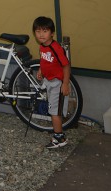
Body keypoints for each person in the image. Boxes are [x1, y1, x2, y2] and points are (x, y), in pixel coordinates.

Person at [33, 15, 71, 150]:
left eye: (45, 31)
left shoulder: (56, 48)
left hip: (57, 84)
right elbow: (44, 61)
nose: (41, 34)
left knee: (54, 112)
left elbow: (66, 66)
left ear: (52, 33)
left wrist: (65, 84)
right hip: (48, 81)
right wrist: (40, 70)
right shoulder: (42, 47)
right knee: (53, 109)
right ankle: (58, 133)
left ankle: (59, 137)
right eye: (38, 31)